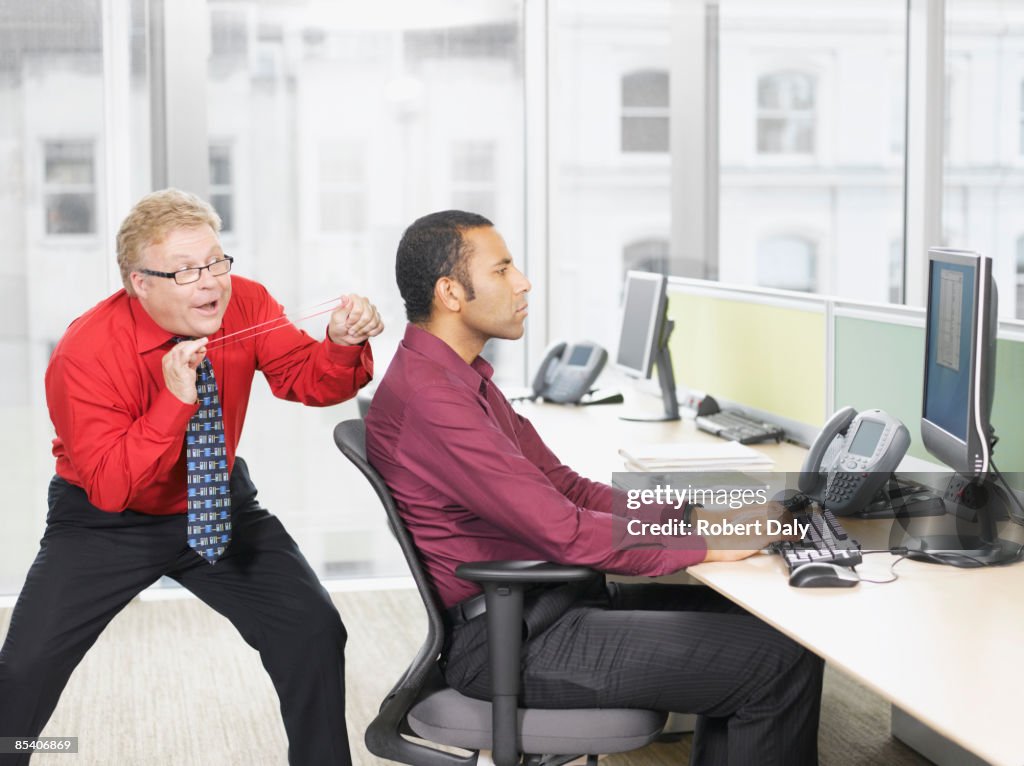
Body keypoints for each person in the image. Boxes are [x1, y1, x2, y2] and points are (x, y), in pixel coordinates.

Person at [364, 210, 825, 765]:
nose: (523, 282)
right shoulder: (434, 401)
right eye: (504, 269)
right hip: (510, 641)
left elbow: (568, 489)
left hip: (542, 605)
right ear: (451, 293)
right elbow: (565, 530)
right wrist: (712, 542)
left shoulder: (457, 380)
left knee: (769, 627)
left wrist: (691, 515)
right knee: (776, 662)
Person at [0, 188, 384, 765]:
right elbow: (109, 487)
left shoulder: (246, 302)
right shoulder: (84, 352)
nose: (210, 282)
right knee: (25, 672)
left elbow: (308, 381)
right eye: (185, 271)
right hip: (105, 521)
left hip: (215, 498)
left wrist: (340, 343)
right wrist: (173, 403)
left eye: (214, 262)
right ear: (140, 282)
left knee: (312, 629)